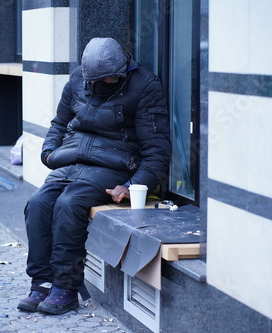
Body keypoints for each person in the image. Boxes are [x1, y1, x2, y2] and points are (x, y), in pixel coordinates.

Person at [17, 37, 171, 315]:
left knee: (69, 204)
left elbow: (157, 151)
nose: (106, 83)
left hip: (114, 165)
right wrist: (49, 152)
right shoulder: (77, 79)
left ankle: (66, 287)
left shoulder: (146, 85)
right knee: (38, 203)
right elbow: (59, 122)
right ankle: (41, 282)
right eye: (100, 79)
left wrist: (133, 185)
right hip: (71, 160)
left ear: (123, 69)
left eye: (112, 79)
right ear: (87, 75)